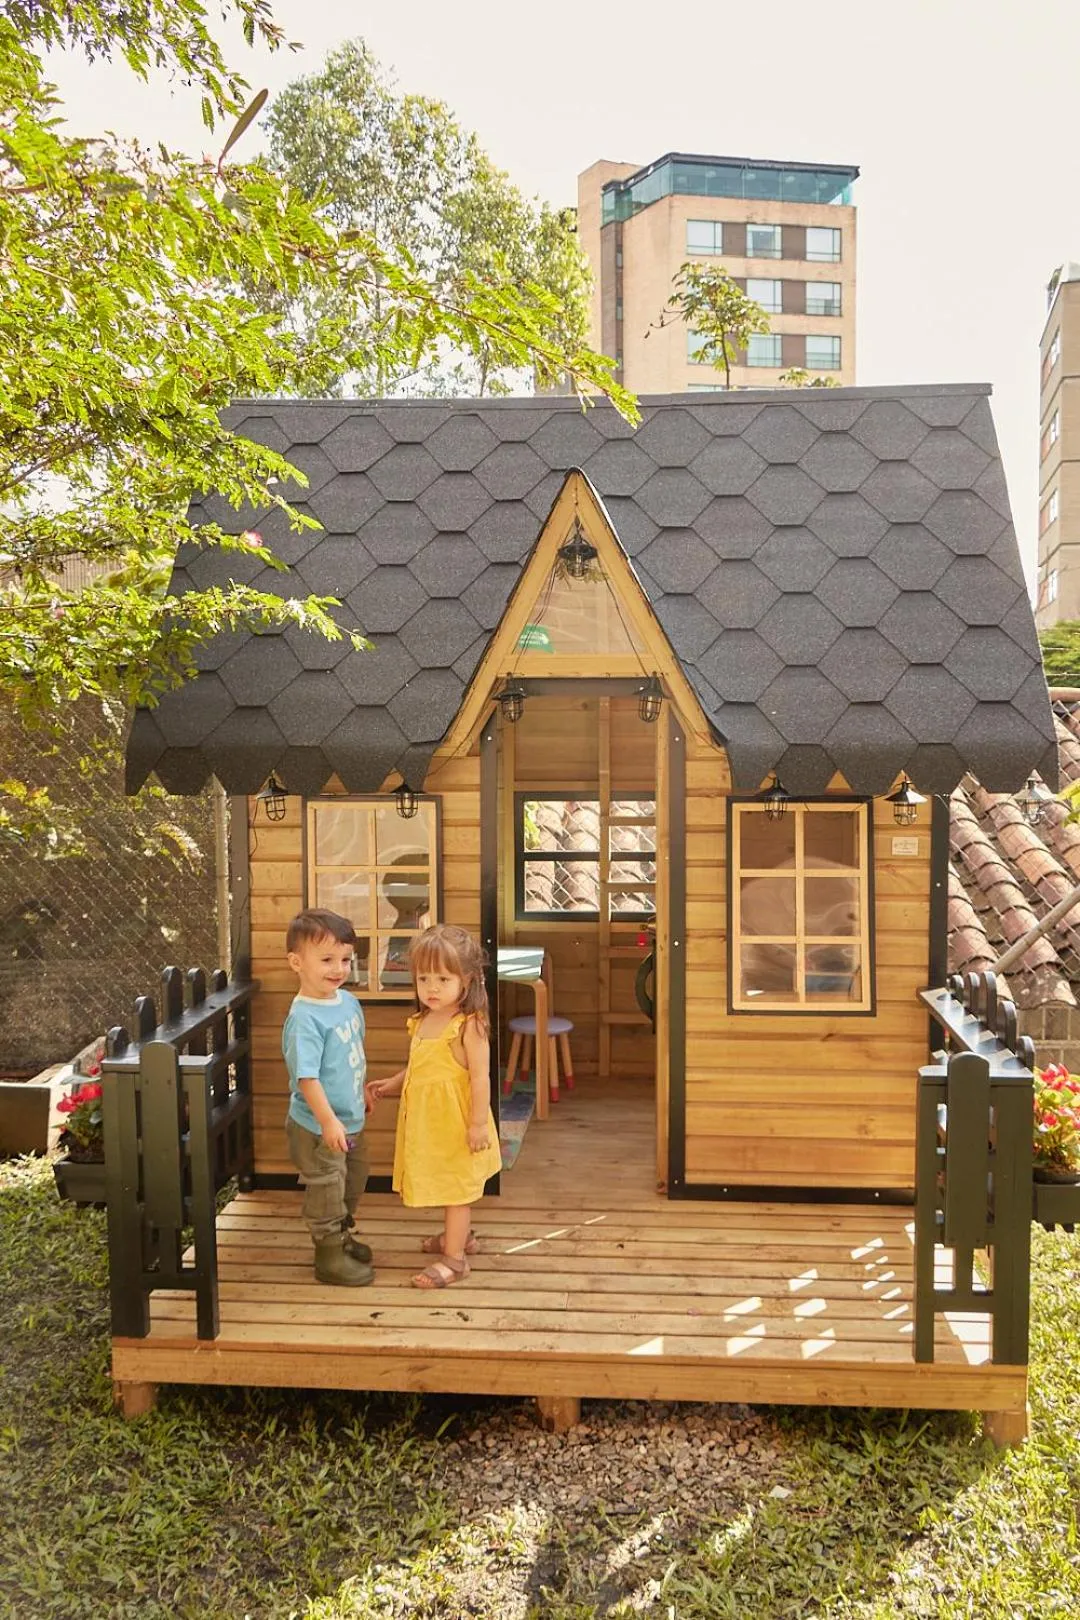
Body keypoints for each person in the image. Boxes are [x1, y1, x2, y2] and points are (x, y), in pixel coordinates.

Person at [366, 924, 501, 1289]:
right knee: (445, 1183)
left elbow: (479, 1078)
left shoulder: (467, 1026)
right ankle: (459, 1237)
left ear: (467, 980)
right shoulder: (424, 1020)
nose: (432, 987)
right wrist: (390, 1085)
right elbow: (421, 1067)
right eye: (424, 978)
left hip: (457, 1125)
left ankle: (455, 1260)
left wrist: (477, 1126)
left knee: (456, 1189)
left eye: (443, 978)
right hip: (430, 1126)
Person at [282, 907, 374, 1287]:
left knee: (354, 1178)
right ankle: (327, 1253)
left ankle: (342, 1234)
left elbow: (350, 1055)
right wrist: (328, 1121)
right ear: (296, 962)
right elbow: (307, 1078)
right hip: (319, 1126)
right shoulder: (305, 1018)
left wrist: (362, 1089)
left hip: (349, 1118)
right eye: (326, 960)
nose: (338, 969)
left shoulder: (347, 1002)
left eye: (345, 959)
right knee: (326, 1186)